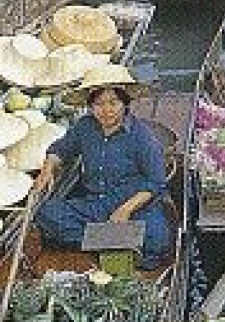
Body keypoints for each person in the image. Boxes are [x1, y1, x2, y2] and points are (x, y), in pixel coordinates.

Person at [35, 65, 173, 270]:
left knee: (158, 238)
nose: (106, 110)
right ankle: (111, 243)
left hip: (134, 205)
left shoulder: (142, 137)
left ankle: (99, 242)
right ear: (90, 106)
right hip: (94, 204)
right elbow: (59, 149)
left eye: (113, 103)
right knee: (47, 214)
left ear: (125, 104)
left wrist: (125, 210)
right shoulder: (84, 127)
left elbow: (156, 182)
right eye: (99, 104)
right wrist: (47, 169)